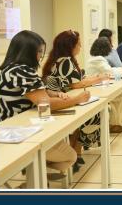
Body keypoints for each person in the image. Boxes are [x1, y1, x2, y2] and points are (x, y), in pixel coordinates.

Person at [0, 30, 90, 176]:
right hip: (15, 132)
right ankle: (33, 181)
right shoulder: (22, 71)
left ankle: (35, 175)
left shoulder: (12, 68)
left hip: (6, 125)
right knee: (70, 157)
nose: (40, 56)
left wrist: (55, 93)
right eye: (39, 52)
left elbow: (36, 91)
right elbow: (46, 103)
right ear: (28, 52)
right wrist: (77, 99)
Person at [42, 30, 106, 172]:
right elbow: (77, 85)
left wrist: (94, 78)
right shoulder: (64, 61)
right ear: (69, 46)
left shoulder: (60, 59)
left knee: (92, 111)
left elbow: (78, 81)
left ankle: (76, 152)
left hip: (63, 99)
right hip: (61, 103)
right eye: (78, 44)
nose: (80, 47)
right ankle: (74, 151)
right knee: (94, 115)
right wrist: (100, 78)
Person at [87, 37, 122, 133]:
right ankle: (114, 124)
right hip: (95, 89)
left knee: (121, 92)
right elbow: (110, 71)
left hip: (98, 85)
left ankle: (117, 122)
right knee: (119, 95)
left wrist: (120, 69)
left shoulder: (97, 58)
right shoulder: (98, 59)